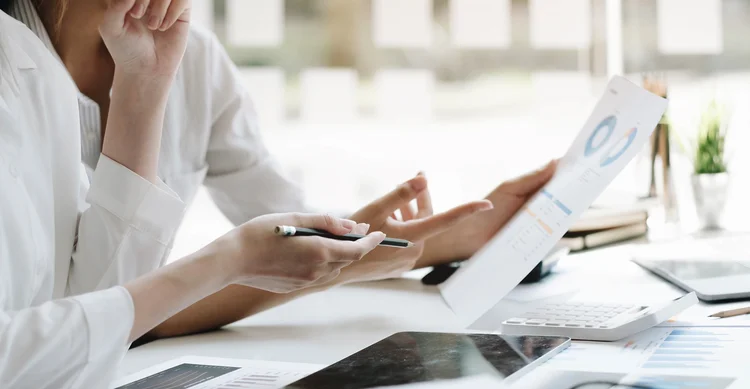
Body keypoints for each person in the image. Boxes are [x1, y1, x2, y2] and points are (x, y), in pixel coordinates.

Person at [3, 0, 557, 340]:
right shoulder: (17, 69)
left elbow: (284, 227)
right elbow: (86, 321)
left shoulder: (190, 60)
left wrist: (427, 240)